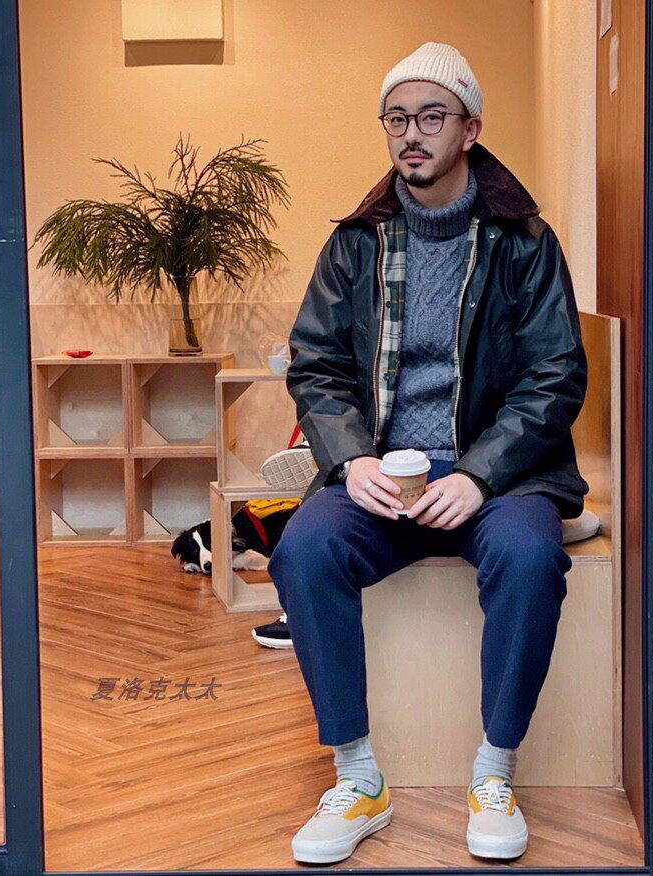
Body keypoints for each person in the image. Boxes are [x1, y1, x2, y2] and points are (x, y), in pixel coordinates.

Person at [268, 41, 589, 865]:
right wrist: (351, 461)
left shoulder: (524, 241)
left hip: (498, 474)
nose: (411, 134)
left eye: (432, 117)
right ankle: (358, 777)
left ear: (470, 129)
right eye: (397, 119)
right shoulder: (357, 243)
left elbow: (555, 375)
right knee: (302, 549)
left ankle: (494, 774)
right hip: (386, 474)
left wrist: (480, 474)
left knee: (529, 555)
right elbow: (317, 364)